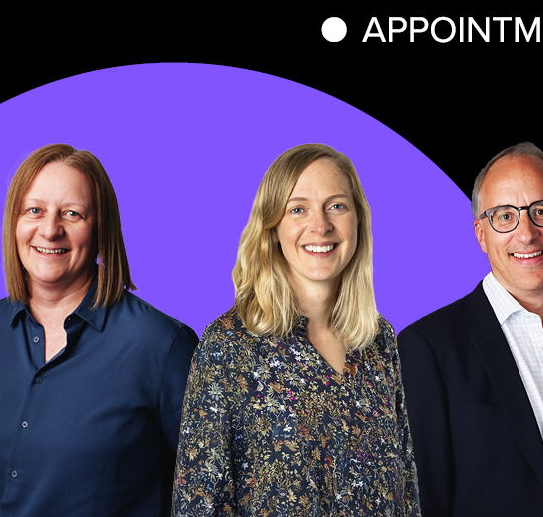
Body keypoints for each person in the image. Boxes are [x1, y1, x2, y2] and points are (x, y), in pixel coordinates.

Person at [172, 143, 420, 516]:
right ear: (272, 228)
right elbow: (198, 504)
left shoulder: (379, 339)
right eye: (298, 209)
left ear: (358, 220)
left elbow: (408, 490)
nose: (320, 226)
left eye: (337, 205)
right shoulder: (228, 345)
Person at [0, 143, 198, 516]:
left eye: (72, 213)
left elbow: (209, 491)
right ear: (13, 223)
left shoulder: (162, 346)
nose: (50, 230)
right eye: (34, 210)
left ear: (101, 228)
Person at [397, 142, 543, 516]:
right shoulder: (428, 348)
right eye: (504, 216)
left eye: (542, 211)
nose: (526, 234)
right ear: (481, 234)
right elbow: (424, 502)